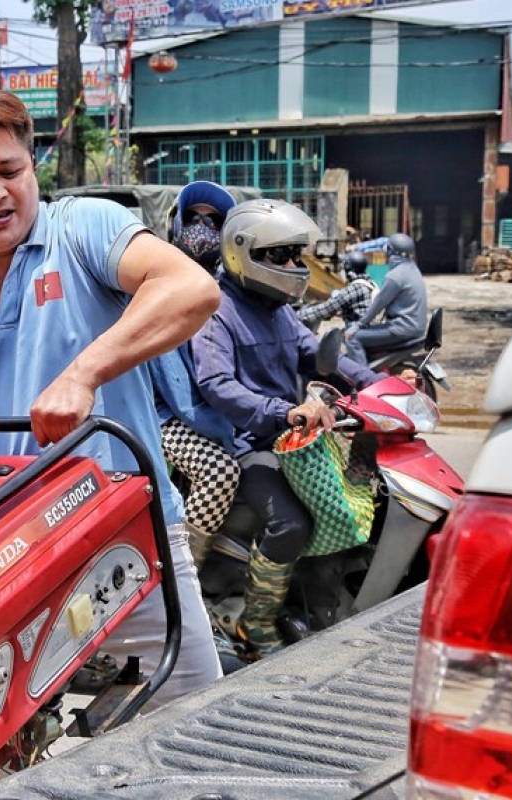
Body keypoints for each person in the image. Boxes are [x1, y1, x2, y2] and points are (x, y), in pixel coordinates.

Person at [0, 85, 224, 706]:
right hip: (1, 547)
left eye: (10, 170)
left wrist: (83, 373)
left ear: (33, 169)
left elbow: (190, 288)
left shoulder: (85, 229)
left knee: (195, 717)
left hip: (127, 529)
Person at [192, 198, 379, 658]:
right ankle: (256, 626)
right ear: (244, 252)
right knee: (290, 522)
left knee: (351, 501)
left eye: (297, 255)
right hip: (249, 442)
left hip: (295, 440)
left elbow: (318, 355)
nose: (295, 266)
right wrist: (282, 411)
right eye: (283, 256)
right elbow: (216, 384)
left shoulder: (278, 309)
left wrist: (385, 385)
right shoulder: (216, 310)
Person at [151, 180, 242, 567]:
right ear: (177, 223)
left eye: (213, 220)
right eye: (194, 217)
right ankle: (185, 569)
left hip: (210, 408)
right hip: (164, 414)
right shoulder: (161, 281)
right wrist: (229, 431)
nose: (202, 227)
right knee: (220, 471)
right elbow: (179, 393)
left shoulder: (228, 284)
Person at [343, 232, 428, 366]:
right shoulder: (414, 270)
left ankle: (363, 380)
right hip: (415, 329)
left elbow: (378, 304)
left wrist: (357, 325)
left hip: (400, 329)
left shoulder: (395, 276)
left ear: (390, 252)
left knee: (352, 338)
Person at [296, 250, 378, 331]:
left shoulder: (354, 289)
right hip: (371, 327)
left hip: (357, 330)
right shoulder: (371, 284)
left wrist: (298, 315)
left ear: (348, 270)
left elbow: (326, 309)